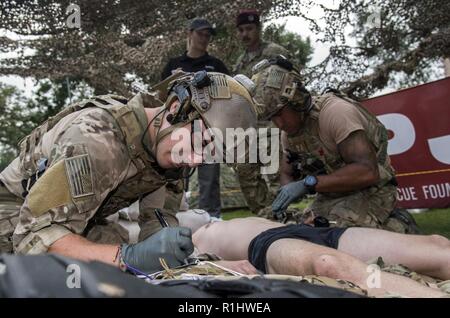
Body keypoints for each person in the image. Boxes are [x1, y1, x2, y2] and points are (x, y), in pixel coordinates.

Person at [0, 70, 257, 274]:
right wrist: (128, 258)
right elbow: (32, 240)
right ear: (177, 108)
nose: (194, 161)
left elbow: (158, 223)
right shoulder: (97, 141)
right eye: (200, 143)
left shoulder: (170, 149)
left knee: (119, 249)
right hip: (12, 224)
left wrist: (198, 266)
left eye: (208, 156)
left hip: (79, 222)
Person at [251, 56, 418, 232]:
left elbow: (368, 171)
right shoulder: (290, 135)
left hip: (373, 190)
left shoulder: (335, 113)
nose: (279, 124)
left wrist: (308, 183)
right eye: (271, 118)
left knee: (336, 235)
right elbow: (287, 172)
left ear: (296, 98)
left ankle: (399, 226)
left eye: (279, 113)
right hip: (331, 194)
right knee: (295, 228)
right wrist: (286, 194)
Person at [192, 216, 450, 297]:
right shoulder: (177, 237)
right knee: (329, 266)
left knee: (437, 247)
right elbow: (165, 268)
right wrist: (213, 263)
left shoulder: (201, 215)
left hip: (307, 229)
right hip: (265, 244)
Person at [161, 18, 230, 220]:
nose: (205, 38)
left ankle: (212, 222)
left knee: (209, 181)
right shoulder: (174, 65)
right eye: (201, 33)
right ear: (189, 33)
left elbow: (229, 97)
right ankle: (171, 220)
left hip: (208, 130)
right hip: (179, 131)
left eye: (208, 35)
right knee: (175, 180)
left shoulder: (216, 65)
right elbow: (162, 99)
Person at [232, 9, 291, 217]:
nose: (244, 34)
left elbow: (290, 84)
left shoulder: (275, 52)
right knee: (246, 174)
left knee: (275, 175)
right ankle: (265, 217)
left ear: (258, 28)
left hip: (271, 124)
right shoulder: (240, 62)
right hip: (247, 128)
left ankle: (285, 217)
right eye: (240, 30)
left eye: (249, 29)